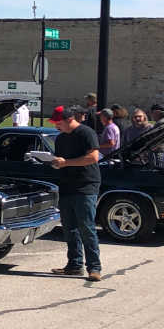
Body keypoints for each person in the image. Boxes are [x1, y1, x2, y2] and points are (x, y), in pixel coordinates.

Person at [46, 104, 102, 281]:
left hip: (86, 186)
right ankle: (74, 265)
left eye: (58, 122)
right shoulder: (61, 138)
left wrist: (66, 162)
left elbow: (93, 157)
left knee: (87, 227)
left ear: (70, 119)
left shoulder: (86, 133)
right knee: (69, 228)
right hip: (67, 185)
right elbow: (61, 160)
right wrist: (54, 162)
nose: (56, 125)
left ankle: (94, 268)